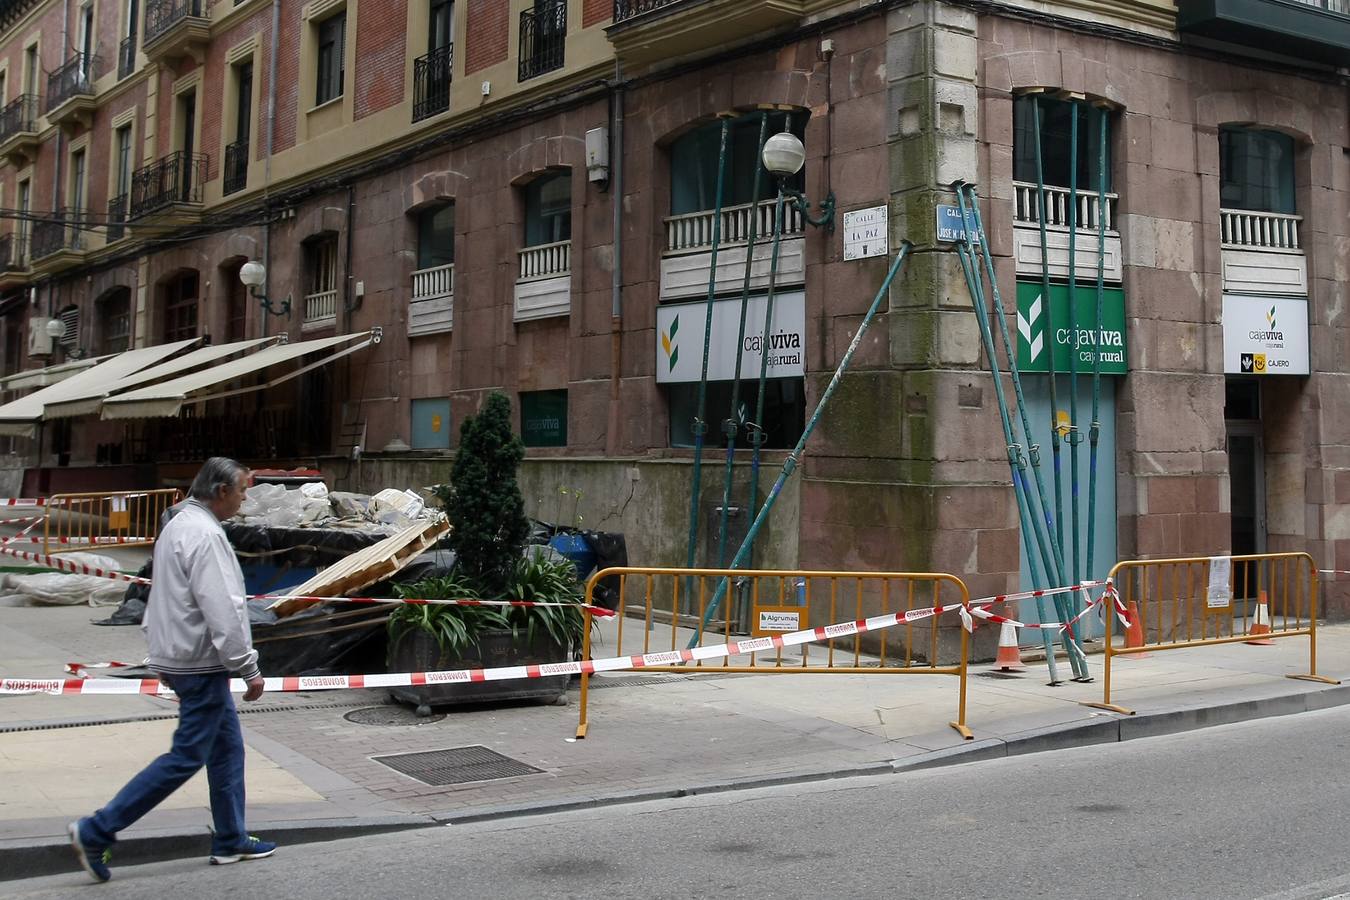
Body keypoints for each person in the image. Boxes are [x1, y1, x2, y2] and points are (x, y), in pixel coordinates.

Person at [69, 457, 276, 883]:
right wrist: (247, 667)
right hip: (201, 664)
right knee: (186, 756)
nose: (244, 499)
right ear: (220, 492)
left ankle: (231, 838)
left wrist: (161, 656)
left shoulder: (177, 525)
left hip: (184, 658)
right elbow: (224, 609)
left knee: (227, 749)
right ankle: (96, 830)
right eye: (241, 490)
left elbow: (162, 597)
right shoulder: (205, 534)